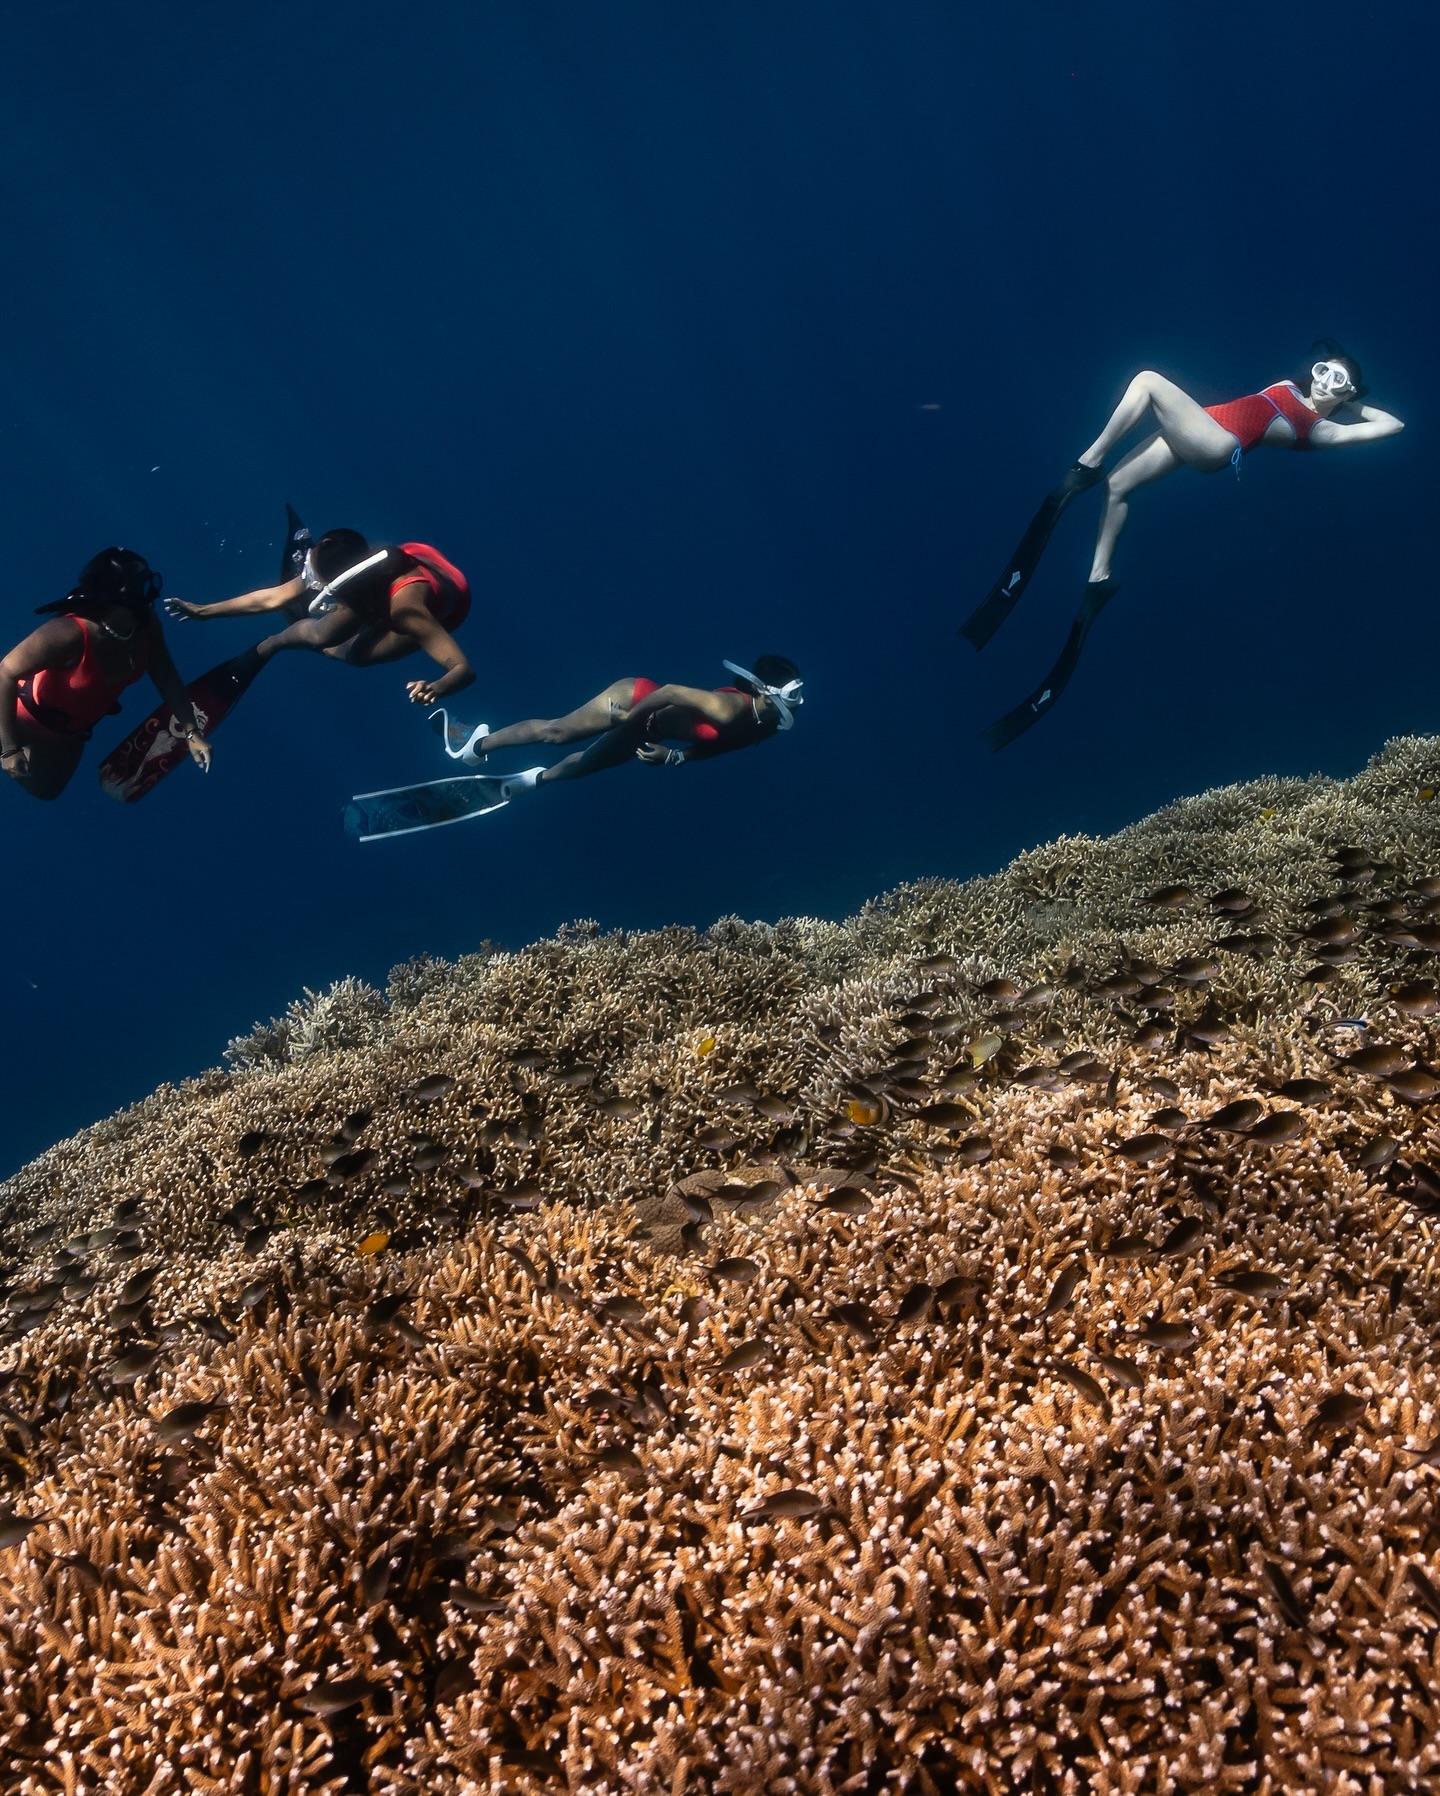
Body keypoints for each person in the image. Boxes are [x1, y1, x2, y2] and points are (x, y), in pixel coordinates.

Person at [966, 340, 1405, 749]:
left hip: (1213, 443)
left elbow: (1394, 424)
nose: (1327, 382)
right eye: (1324, 371)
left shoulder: (1324, 430)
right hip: (1200, 425)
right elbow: (1278, 395)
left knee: (1148, 380)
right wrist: (1337, 385)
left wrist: (1353, 400)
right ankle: (1100, 577)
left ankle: (1087, 462)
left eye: (1339, 383)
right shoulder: (1290, 386)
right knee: (1118, 487)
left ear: (1347, 395)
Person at [166, 527, 476, 705]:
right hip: (377, 585)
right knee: (321, 633)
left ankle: (324, 646)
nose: (306, 585)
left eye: (314, 582)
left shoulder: (407, 612)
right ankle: (272, 644)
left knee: (350, 653)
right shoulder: (350, 557)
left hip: (444, 605)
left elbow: (463, 669)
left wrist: (436, 687)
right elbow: (275, 597)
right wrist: (204, 611)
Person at [0, 549, 212, 800]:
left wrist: (191, 731)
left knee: (47, 790)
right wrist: (9, 749)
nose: (151, 594)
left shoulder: (146, 627)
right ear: (119, 594)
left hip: (67, 734)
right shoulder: (69, 632)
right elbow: (6, 672)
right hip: (19, 714)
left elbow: (166, 677)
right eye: (142, 587)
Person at [431, 655, 803, 790]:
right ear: (763, 691)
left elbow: (724, 745)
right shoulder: (728, 707)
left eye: (798, 695)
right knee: (557, 733)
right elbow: (671, 691)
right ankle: (472, 744)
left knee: (586, 766)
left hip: (646, 728)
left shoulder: (768, 724)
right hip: (634, 700)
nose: (797, 704)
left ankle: (530, 780)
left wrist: (676, 758)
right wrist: (632, 716)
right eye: (791, 695)